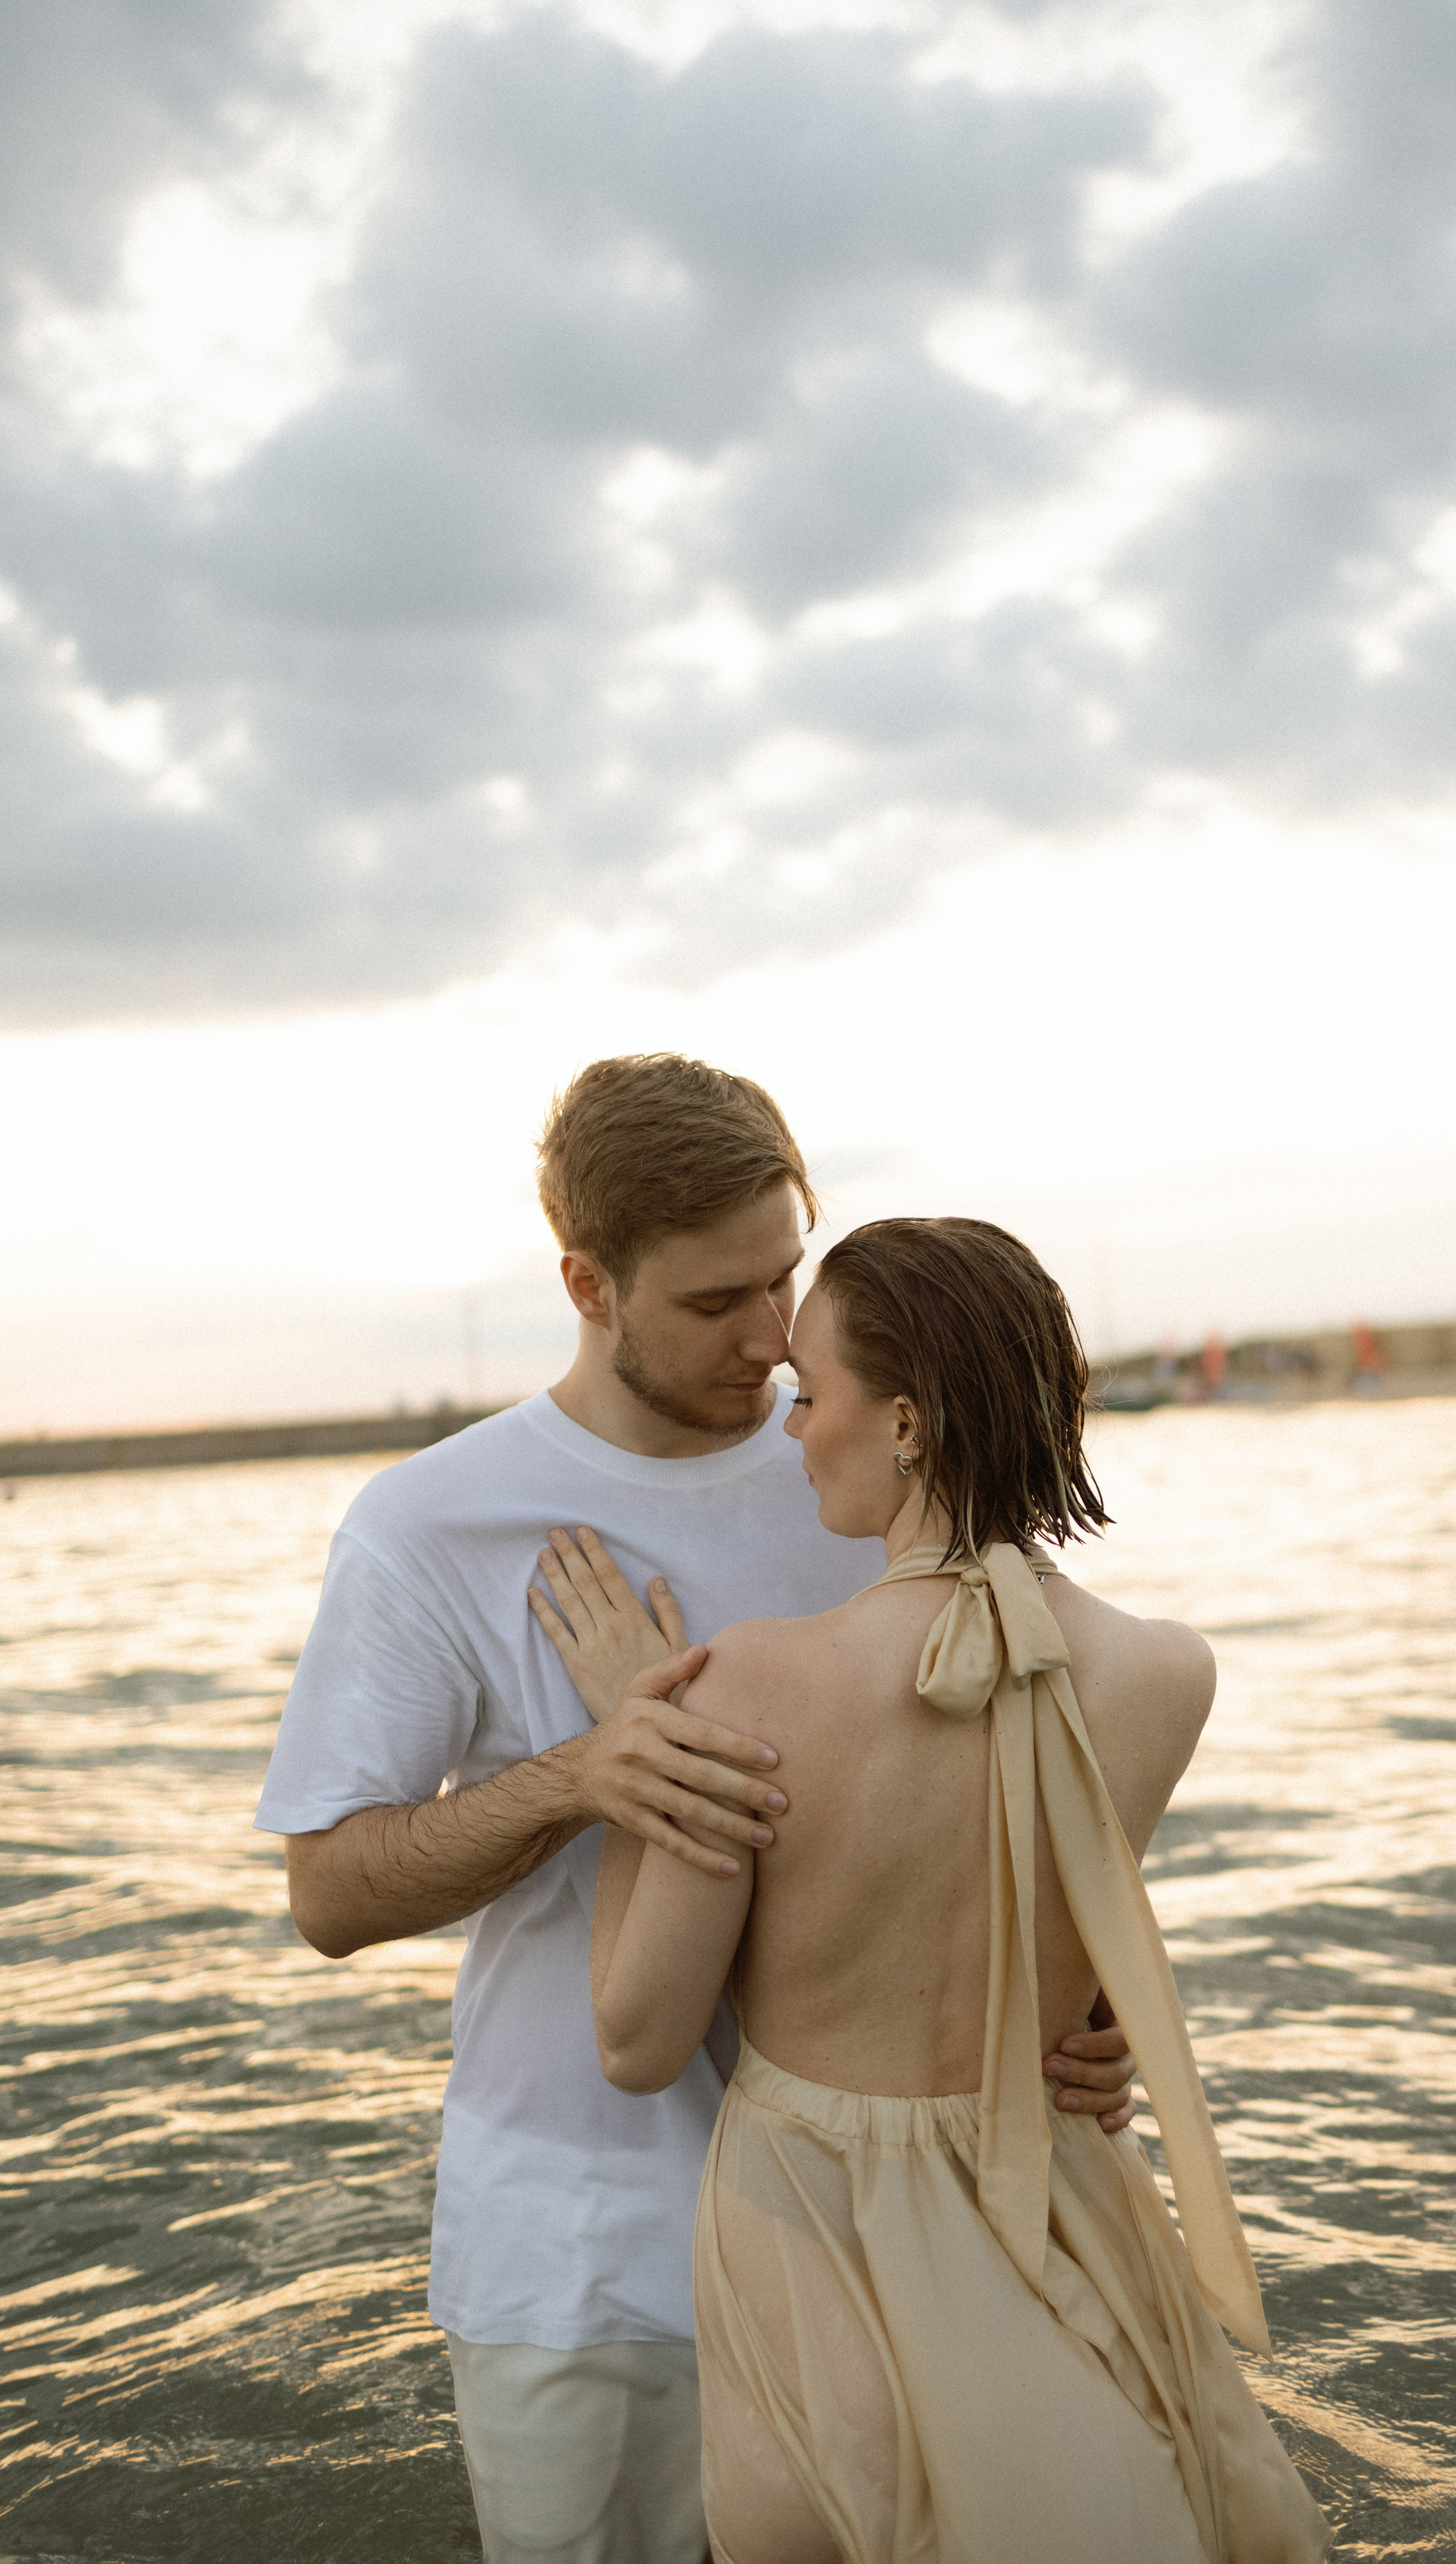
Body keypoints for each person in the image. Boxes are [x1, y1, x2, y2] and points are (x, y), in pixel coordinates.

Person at [252, 1057, 1140, 2564]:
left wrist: (1086, 2005)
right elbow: (331, 1895)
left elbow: (1006, 1785)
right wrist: (583, 1777)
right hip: (588, 2250)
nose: (771, 1337)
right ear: (586, 1283)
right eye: (714, 1301)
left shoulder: (866, 1462)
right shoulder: (428, 1526)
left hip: (901, 2236)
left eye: (785, 1276)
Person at [573, 1219, 1331, 2562]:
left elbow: (637, 2041)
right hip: (1052, 2193)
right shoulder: (1167, 1676)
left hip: (809, 2219)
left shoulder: (744, 1685)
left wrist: (631, 1738)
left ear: (907, 1424)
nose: (793, 1428)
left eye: (811, 1395)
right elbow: (1050, 1936)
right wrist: (1100, 2040)